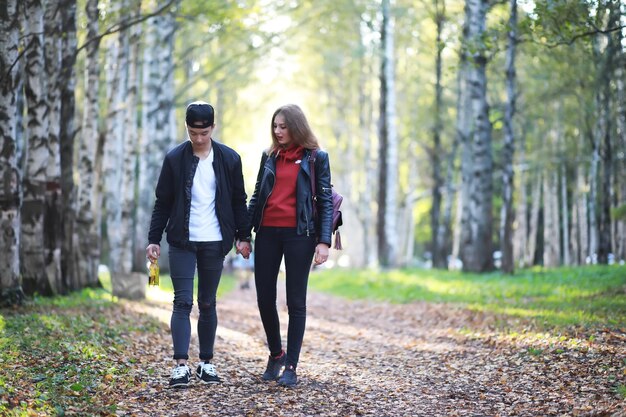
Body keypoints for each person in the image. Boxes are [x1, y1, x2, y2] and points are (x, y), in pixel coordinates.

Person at [146, 101, 252, 388]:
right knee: (182, 301)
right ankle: (181, 365)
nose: (199, 139)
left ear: (212, 128)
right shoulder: (175, 159)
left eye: (204, 133)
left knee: (207, 302)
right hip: (182, 239)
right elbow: (163, 202)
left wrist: (244, 236)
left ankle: (206, 363)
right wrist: (153, 239)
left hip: (215, 241)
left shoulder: (230, 159)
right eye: (193, 133)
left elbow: (238, 200)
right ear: (187, 129)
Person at [246, 104, 333, 387]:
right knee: (263, 298)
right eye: (275, 126)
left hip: (301, 235)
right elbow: (258, 195)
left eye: (284, 126)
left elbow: (325, 199)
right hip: (268, 233)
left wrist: (323, 241)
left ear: (297, 127)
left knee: (296, 302)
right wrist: (244, 233)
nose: (278, 131)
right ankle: (276, 354)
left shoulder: (316, 158)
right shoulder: (269, 156)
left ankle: (291, 366)